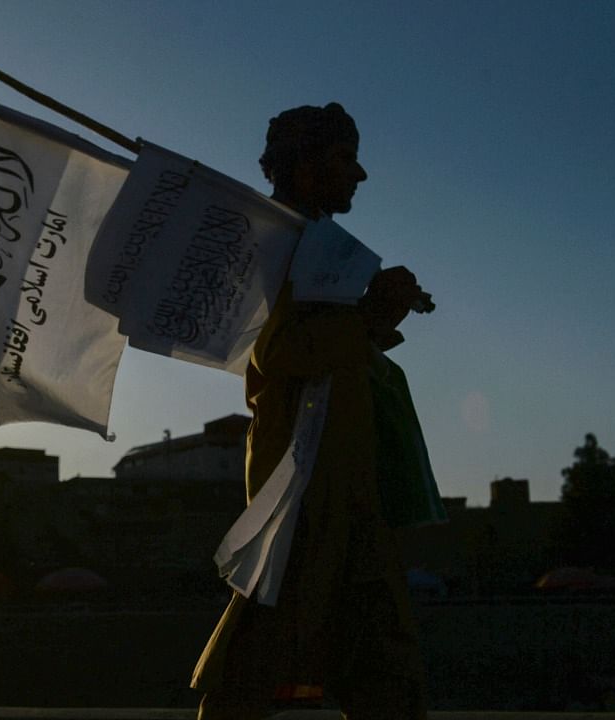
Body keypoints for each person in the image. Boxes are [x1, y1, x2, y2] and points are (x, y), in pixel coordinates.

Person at [191, 103, 445, 720]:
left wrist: (377, 316)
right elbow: (283, 352)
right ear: (303, 167)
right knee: (273, 638)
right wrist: (371, 315)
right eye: (342, 159)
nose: (357, 175)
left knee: (378, 653)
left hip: (345, 482)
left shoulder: (322, 246)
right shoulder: (276, 242)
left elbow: (330, 352)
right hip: (305, 484)